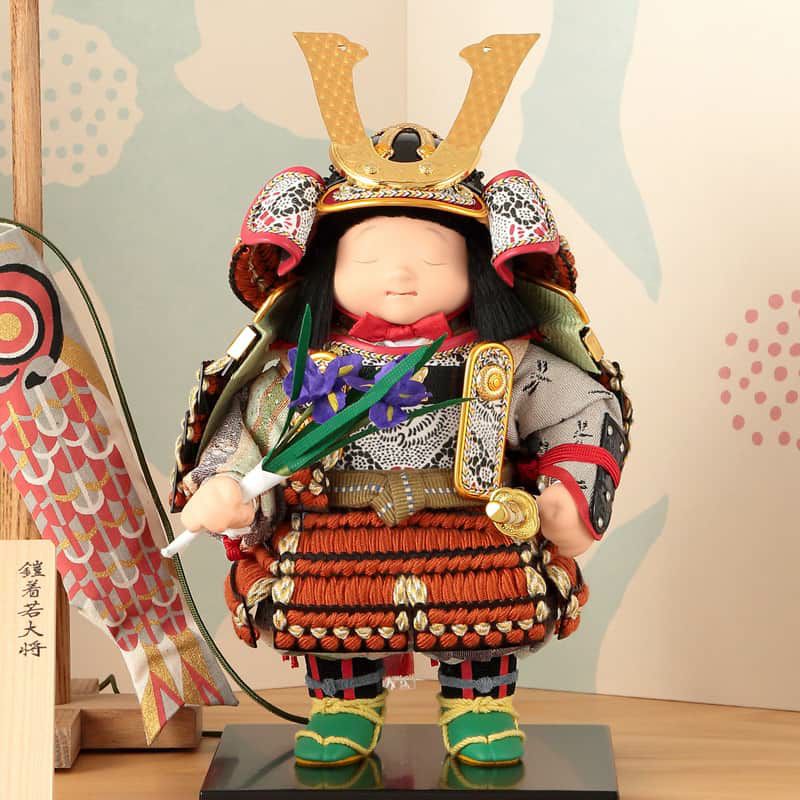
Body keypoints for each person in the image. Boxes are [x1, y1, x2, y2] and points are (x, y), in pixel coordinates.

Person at [170, 33, 632, 768]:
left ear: (478, 269)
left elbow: (582, 408)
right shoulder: (303, 364)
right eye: (370, 258)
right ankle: (344, 706)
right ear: (327, 267)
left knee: (484, 615)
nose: (401, 276)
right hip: (336, 529)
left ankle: (479, 705)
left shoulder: (505, 359)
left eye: (430, 259)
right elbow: (248, 432)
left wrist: (569, 496)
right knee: (332, 617)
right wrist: (226, 487)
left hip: (473, 526)